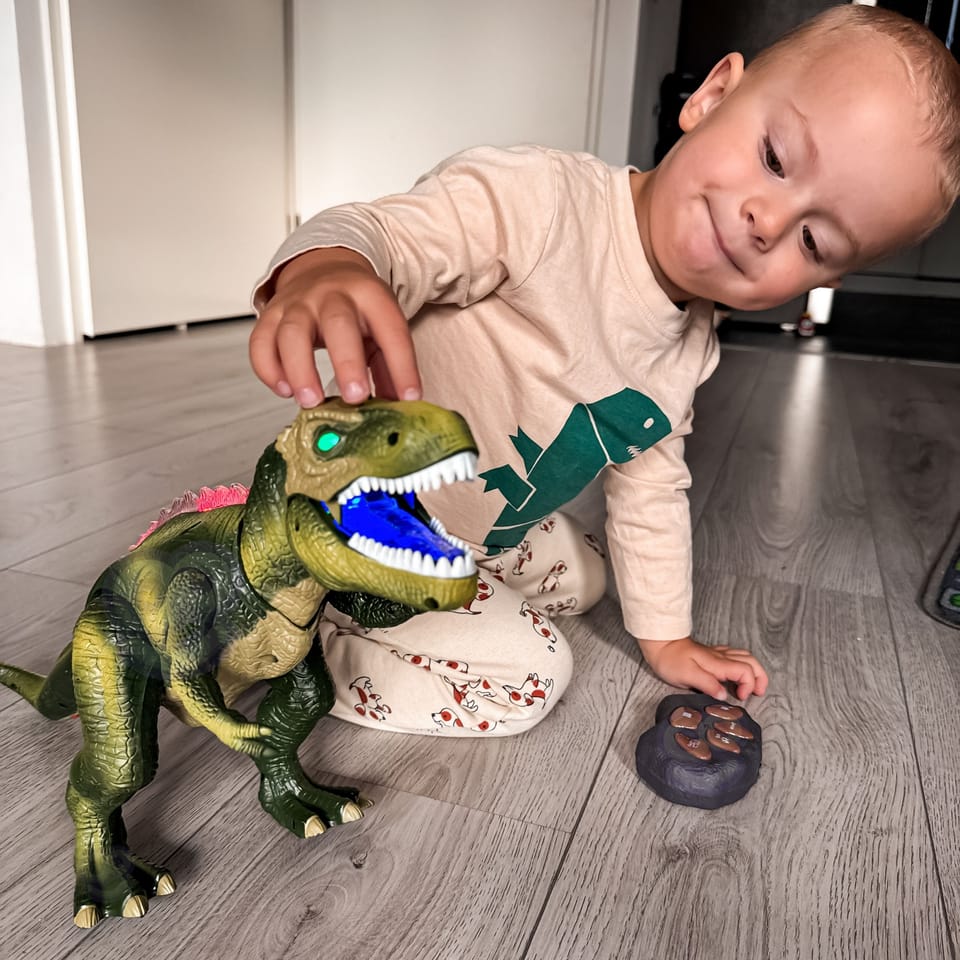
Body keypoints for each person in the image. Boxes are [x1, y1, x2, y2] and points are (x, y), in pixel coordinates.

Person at [247, 5, 960, 737]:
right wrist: (328, 268)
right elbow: (386, 232)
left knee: (588, 577)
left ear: (824, 281)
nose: (767, 221)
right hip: (366, 513)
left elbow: (651, 487)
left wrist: (668, 638)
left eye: (812, 241)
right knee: (533, 676)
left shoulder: (691, 346)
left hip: (476, 529)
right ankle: (301, 645)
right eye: (775, 159)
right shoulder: (542, 202)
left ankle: (425, 598)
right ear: (712, 97)